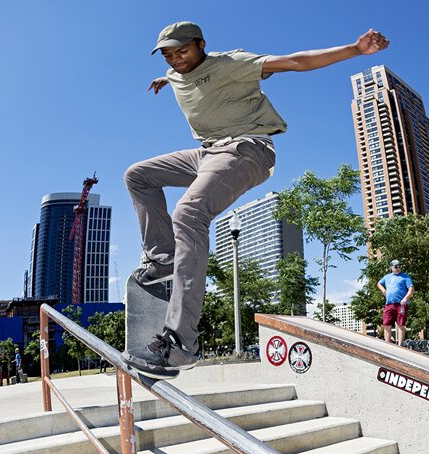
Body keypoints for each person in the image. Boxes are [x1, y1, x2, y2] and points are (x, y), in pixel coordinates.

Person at [123, 22, 389, 378]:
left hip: (247, 150)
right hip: (208, 153)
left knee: (188, 213)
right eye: (169, 56)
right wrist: (164, 78)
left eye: (182, 51)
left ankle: (181, 343)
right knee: (138, 175)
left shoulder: (231, 63)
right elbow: (177, 75)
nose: (176, 60)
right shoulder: (175, 72)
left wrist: (354, 50)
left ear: (202, 44)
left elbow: (295, 62)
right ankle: (164, 259)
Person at [377, 260, 414, 346]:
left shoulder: (405, 277)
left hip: (400, 304)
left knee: (401, 324)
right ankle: (387, 343)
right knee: (386, 324)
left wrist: (405, 299)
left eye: (399, 266)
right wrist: (383, 291)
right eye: (396, 266)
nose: (398, 268)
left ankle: (400, 344)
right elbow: (379, 284)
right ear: (391, 268)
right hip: (389, 304)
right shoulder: (387, 277)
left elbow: (411, 290)